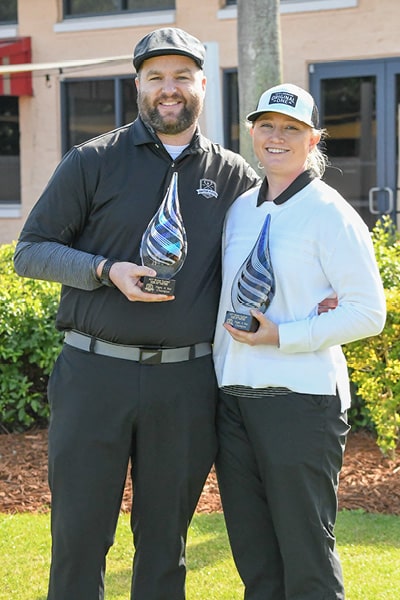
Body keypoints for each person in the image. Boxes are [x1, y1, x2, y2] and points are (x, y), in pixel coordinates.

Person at [13, 27, 261, 600]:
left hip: (186, 382)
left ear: (202, 84)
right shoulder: (91, 162)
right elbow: (31, 251)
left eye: (181, 77)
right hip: (94, 376)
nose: (168, 89)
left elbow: (264, 256)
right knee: (79, 535)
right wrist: (105, 270)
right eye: (156, 78)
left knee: (164, 543)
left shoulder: (233, 178)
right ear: (138, 86)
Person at [213, 83, 386, 600]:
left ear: (313, 141)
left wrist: (283, 335)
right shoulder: (240, 208)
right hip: (234, 400)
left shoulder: (330, 213)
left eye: (291, 129)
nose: (277, 137)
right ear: (251, 133)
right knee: (255, 556)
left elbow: (368, 312)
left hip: (300, 402)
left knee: (306, 555)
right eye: (267, 126)